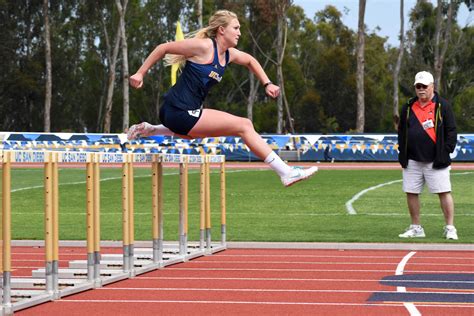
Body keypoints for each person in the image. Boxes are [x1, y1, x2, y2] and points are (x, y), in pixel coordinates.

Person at [127, 10, 317, 187]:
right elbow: (163, 48)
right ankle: (286, 172)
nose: (239, 33)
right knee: (244, 125)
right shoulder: (203, 46)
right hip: (178, 110)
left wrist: (267, 83)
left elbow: (250, 60)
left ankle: (152, 130)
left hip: (176, 117)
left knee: (200, 134)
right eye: (236, 28)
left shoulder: (228, 55)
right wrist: (140, 73)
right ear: (221, 30)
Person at [397, 71, 458, 240]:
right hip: (412, 160)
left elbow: (451, 130)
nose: (421, 89)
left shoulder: (442, 105)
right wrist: (402, 153)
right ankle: (416, 228)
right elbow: (402, 131)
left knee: (444, 192)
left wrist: (446, 150)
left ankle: (450, 227)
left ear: (432, 86)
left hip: (436, 159)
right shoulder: (408, 107)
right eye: (418, 86)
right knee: (411, 192)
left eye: (424, 86)